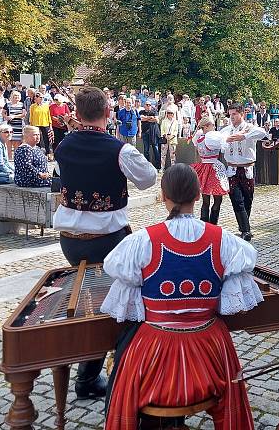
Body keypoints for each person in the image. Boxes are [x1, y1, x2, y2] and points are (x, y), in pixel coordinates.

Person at [101, 163, 260, 430]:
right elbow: (236, 285)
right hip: (210, 348)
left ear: (164, 197)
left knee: (122, 367)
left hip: (154, 349)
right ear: (199, 195)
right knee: (230, 374)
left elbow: (122, 285)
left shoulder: (141, 242)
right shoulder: (225, 241)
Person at [54, 86, 156, 400]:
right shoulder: (119, 150)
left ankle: (90, 374)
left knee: (91, 305)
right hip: (108, 241)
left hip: (70, 241)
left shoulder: (63, 146)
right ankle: (108, 377)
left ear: (77, 112)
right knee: (119, 307)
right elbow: (149, 178)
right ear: (108, 113)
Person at [218, 103, 268, 241]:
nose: (232, 117)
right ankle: (246, 230)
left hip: (247, 168)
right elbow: (216, 141)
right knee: (236, 200)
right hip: (232, 169)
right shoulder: (226, 130)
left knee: (248, 200)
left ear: (242, 114)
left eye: (235, 114)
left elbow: (263, 133)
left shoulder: (249, 128)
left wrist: (244, 137)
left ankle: (243, 227)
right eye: (230, 114)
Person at [191, 116, 229, 224]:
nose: (214, 127)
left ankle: (204, 223)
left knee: (205, 199)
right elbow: (224, 145)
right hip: (214, 168)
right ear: (207, 126)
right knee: (218, 199)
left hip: (203, 167)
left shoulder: (198, 138)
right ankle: (213, 223)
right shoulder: (211, 138)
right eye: (213, 125)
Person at [28, 93, 53, 158]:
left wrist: (50, 124)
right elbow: (31, 116)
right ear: (36, 98)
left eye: (42, 97)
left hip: (45, 123)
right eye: (39, 97)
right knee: (36, 138)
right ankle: (37, 152)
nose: (41, 98)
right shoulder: (32, 106)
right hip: (35, 124)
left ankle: (48, 152)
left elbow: (48, 115)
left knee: (46, 138)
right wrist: (31, 125)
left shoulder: (46, 105)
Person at [139, 101, 161, 169]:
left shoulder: (154, 111)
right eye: (147, 105)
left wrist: (146, 118)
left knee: (156, 148)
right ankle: (147, 166)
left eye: (149, 105)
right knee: (146, 150)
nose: (148, 106)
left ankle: (158, 165)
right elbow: (141, 119)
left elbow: (156, 120)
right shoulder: (141, 112)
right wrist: (150, 118)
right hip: (145, 132)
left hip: (153, 133)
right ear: (144, 105)